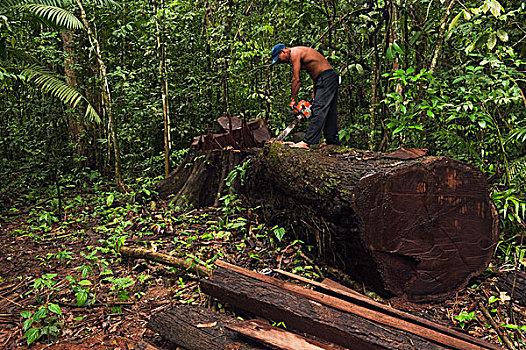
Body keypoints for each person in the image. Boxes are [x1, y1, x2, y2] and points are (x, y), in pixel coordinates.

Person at [270, 43, 340, 149]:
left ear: (283, 51)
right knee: (330, 110)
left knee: (318, 109)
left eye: (279, 59)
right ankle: (331, 140)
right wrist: (314, 91)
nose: (281, 62)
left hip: (326, 77)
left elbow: (296, 79)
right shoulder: (298, 53)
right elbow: (314, 71)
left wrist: (292, 99)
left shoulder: (295, 53)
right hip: (325, 78)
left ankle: (308, 141)